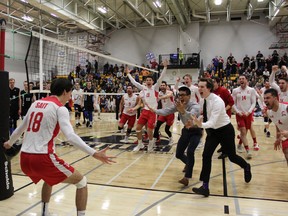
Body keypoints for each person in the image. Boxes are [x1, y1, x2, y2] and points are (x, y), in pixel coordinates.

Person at [3, 78, 116, 216]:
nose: (71, 96)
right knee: (82, 182)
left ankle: (45, 212)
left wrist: (8, 144)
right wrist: (94, 153)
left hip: (24, 159)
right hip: (43, 158)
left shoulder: (36, 103)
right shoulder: (60, 108)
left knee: (48, 178)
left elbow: (20, 129)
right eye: (70, 93)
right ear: (64, 92)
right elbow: (70, 136)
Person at [191, 78, 252, 197]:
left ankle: (246, 166)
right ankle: (205, 187)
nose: (199, 89)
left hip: (225, 131)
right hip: (213, 133)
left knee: (232, 156)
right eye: (199, 86)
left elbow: (213, 122)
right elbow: (206, 117)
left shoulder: (217, 101)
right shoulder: (204, 100)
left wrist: (200, 125)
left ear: (209, 88)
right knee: (206, 155)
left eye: (202, 87)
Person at [148, 86, 201, 186]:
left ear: (189, 96)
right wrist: (155, 111)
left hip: (196, 131)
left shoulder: (195, 106)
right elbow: (167, 111)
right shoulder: (178, 105)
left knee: (190, 152)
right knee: (178, 154)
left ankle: (187, 177)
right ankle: (189, 164)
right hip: (186, 130)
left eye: (183, 95)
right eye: (179, 95)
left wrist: (183, 110)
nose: (180, 97)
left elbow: (192, 118)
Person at [127, 59, 168, 152]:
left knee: (149, 131)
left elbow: (161, 77)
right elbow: (135, 83)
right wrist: (128, 74)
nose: (148, 81)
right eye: (147, 80)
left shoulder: (155, 88)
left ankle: (150, 143)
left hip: (153, 112)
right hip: (145, 111)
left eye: (150, 80)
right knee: (138, 128)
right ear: (145, 82)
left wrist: (165, 67)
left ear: (153, 81)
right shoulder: (143, 89)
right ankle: (140, 144)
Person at [232, 75, 257, 158]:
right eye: (240, 79)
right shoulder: (235, 91)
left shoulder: (251, 90)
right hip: (240, 115)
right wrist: (238, 112)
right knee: (243, 131)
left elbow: (253, 103)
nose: (241, 80)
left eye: (243, 79)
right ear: (238, 81)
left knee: (246, 131)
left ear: (246, 80)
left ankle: (239, 144)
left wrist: (249, 112)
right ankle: (248, 151)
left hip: (248, 114)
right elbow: (233, 103)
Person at [264, 88, 288, 164]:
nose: (265, 100)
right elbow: (277, 124)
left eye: (268, 98)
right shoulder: (269, 112)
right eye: (264, 98)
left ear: (275, 98)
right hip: (285, 137)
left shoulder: (286, 108)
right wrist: (278, 138)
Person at [152, 81, 175, 145]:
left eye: (163, 85)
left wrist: (159, 98)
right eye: (161, 85)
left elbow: (168, 96)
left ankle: (171, 139)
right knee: (157, 127)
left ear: (166, 86)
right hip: (163, 112)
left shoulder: (170, 92)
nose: (162, 86)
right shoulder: (159, 93)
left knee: (166, 129)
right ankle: (153, 141)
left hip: (170, 113)